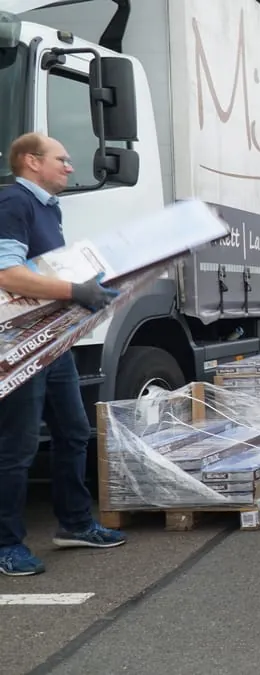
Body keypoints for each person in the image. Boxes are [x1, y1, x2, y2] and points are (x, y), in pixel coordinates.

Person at [0, 133, 126, 578]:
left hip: (54, 344)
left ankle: (74, 524)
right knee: (18, 447)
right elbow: (7, 274)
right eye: (62, 160)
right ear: (32, 162)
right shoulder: (14, 203)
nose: (70, 167)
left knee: (74, 432)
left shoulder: (49, 210)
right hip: (21, 346)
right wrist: (76, 290)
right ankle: (7, 544)